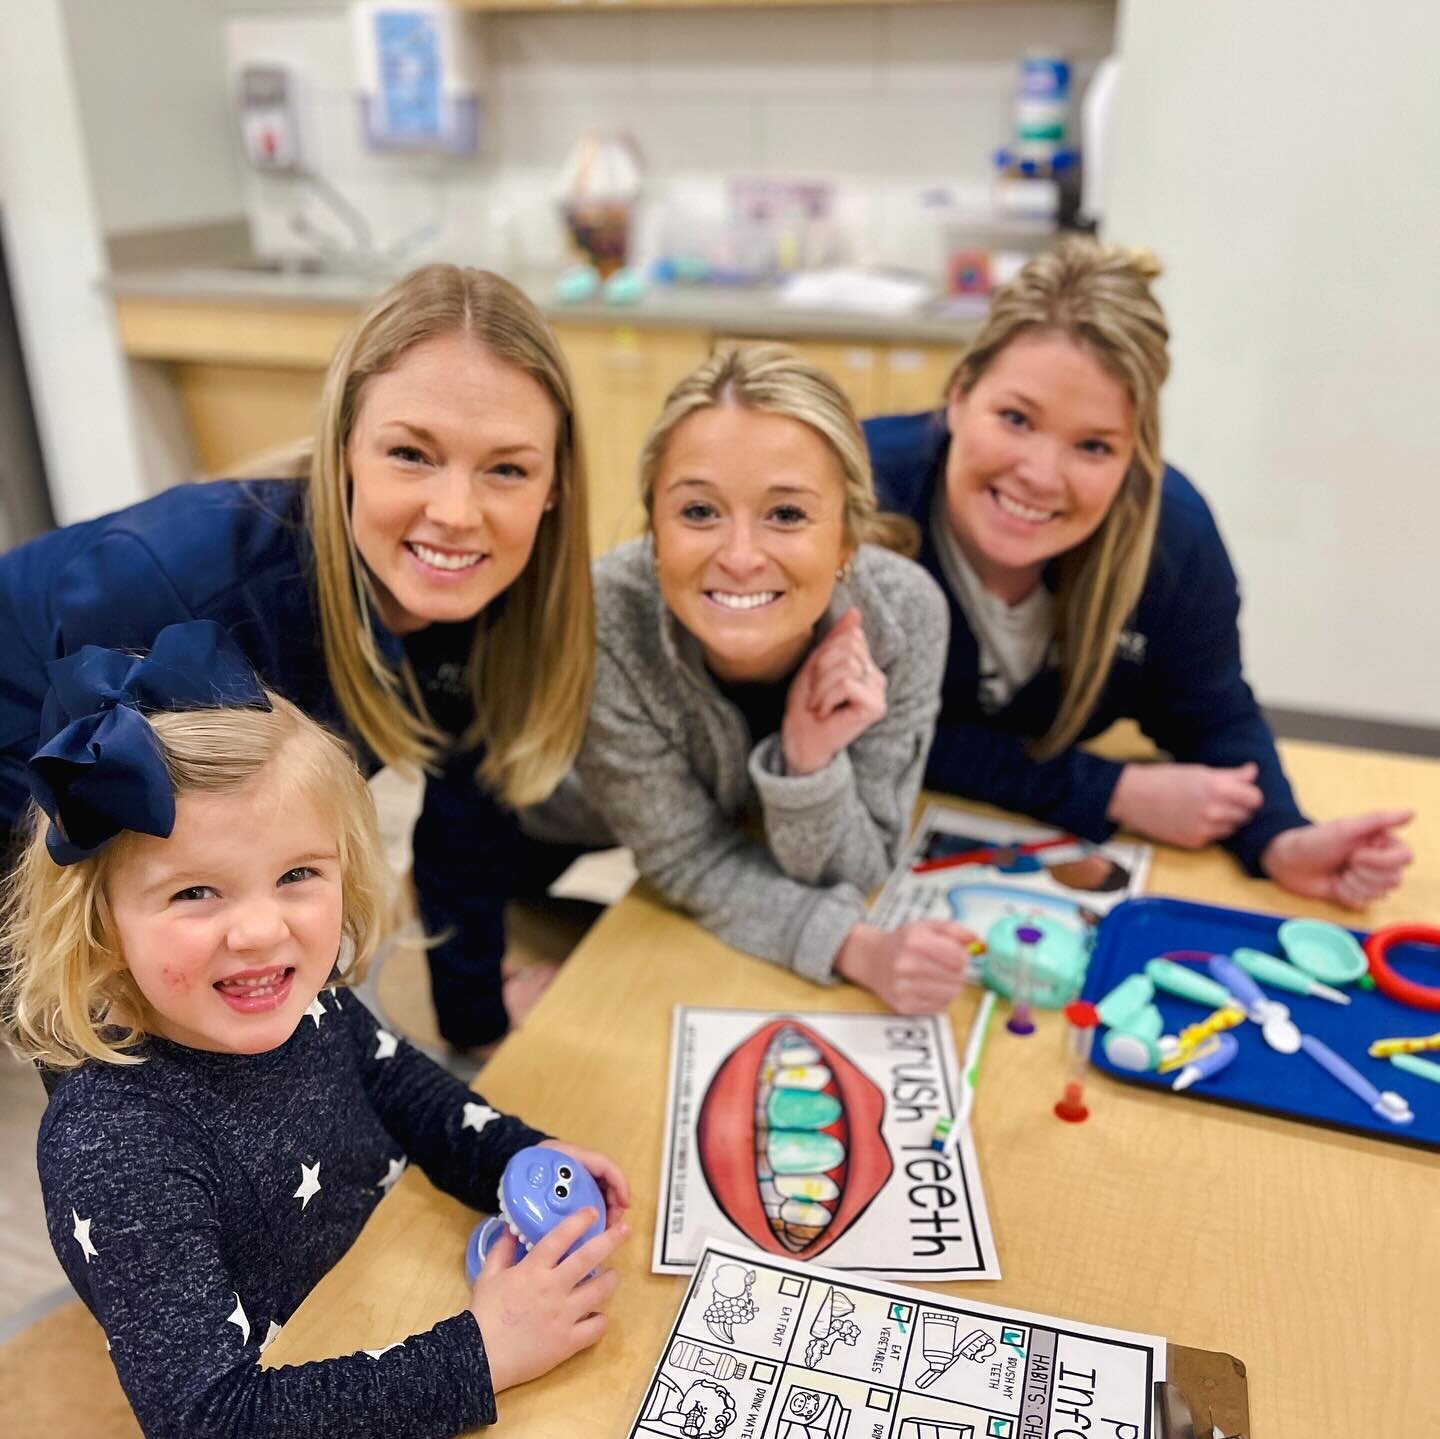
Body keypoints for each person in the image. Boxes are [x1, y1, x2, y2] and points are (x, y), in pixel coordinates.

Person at [0, 623, 630, 1438]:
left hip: (389, 1308)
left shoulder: (301, 996)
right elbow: (215, 1421)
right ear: (99, 924)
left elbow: (408, 1089)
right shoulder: (113, 1148)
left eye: (297, 874)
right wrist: (480, 1355)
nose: (262, 931)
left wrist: (516, 1160)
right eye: (196, 892)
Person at [0, 264, 595, 1049]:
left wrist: (476, 1028)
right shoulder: (178, 590)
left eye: (508, 468)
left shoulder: (500, 607)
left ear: (554, 486)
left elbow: (466, 832)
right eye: (412, 454)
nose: (456, 514)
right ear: (344, 444)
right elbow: (96, 890)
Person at [864, 238, 1412, 907]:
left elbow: (1211, 711)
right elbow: (837, 726)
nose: (1040, 475)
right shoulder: (856, 497)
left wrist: (1278, 837)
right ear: (957, 395)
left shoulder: (1172, 539)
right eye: (1015, 418)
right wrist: (1108, 790)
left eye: (1093, 445)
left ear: (1134, 456)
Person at [530, 344, 975, 1016]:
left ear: (848, 539)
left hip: (717, 867)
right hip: (533, 838)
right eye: (700, 512)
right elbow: (687, 857)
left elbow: (859, 869)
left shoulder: (904, 618)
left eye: (788, 514)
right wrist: (852, 946)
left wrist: (810, 761)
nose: (739, 557)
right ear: (655, 528)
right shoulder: (604, 617)